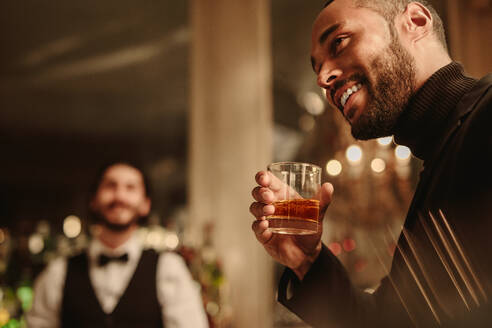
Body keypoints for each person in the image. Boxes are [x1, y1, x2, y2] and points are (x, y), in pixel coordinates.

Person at [250, 0, 492, 327]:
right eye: (317, 67)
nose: (323, 78)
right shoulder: (437, 162)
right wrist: (308, 261)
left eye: (339, 42)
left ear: (416, 21)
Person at [27, 161, 209, 328]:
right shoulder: (58, 272)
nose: (120, 196)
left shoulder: (169, 269)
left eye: (130, 188)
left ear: (145, 204)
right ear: (93, 201)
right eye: (110, 186)